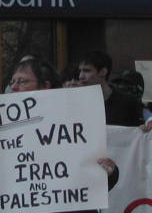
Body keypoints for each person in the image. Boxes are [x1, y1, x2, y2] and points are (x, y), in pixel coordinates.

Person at [9, 59, 119, 212]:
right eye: (12, 81)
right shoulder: (3, 130)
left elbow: (97, 178)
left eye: (22, 81)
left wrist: (108, 172)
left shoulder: (75, 121)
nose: (14, 87)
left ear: (45, 86)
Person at [77, 51, 142, 126]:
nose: (81, 76)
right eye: (80, 71)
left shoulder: (128, 103)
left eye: (87, 71)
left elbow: (137, 133)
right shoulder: (74, 104)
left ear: (103, 72)